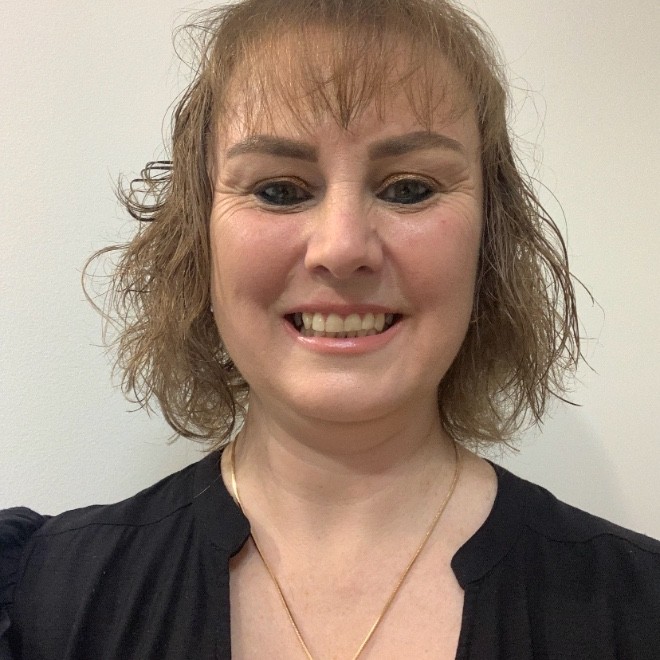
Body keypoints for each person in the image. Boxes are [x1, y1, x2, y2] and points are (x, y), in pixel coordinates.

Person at [1, 0, 659, 658]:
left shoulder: (639, 608)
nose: (342, 249)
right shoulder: (44, 600)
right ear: (197, 240)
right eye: (279, 191)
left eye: (409, 189)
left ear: (490, 239)